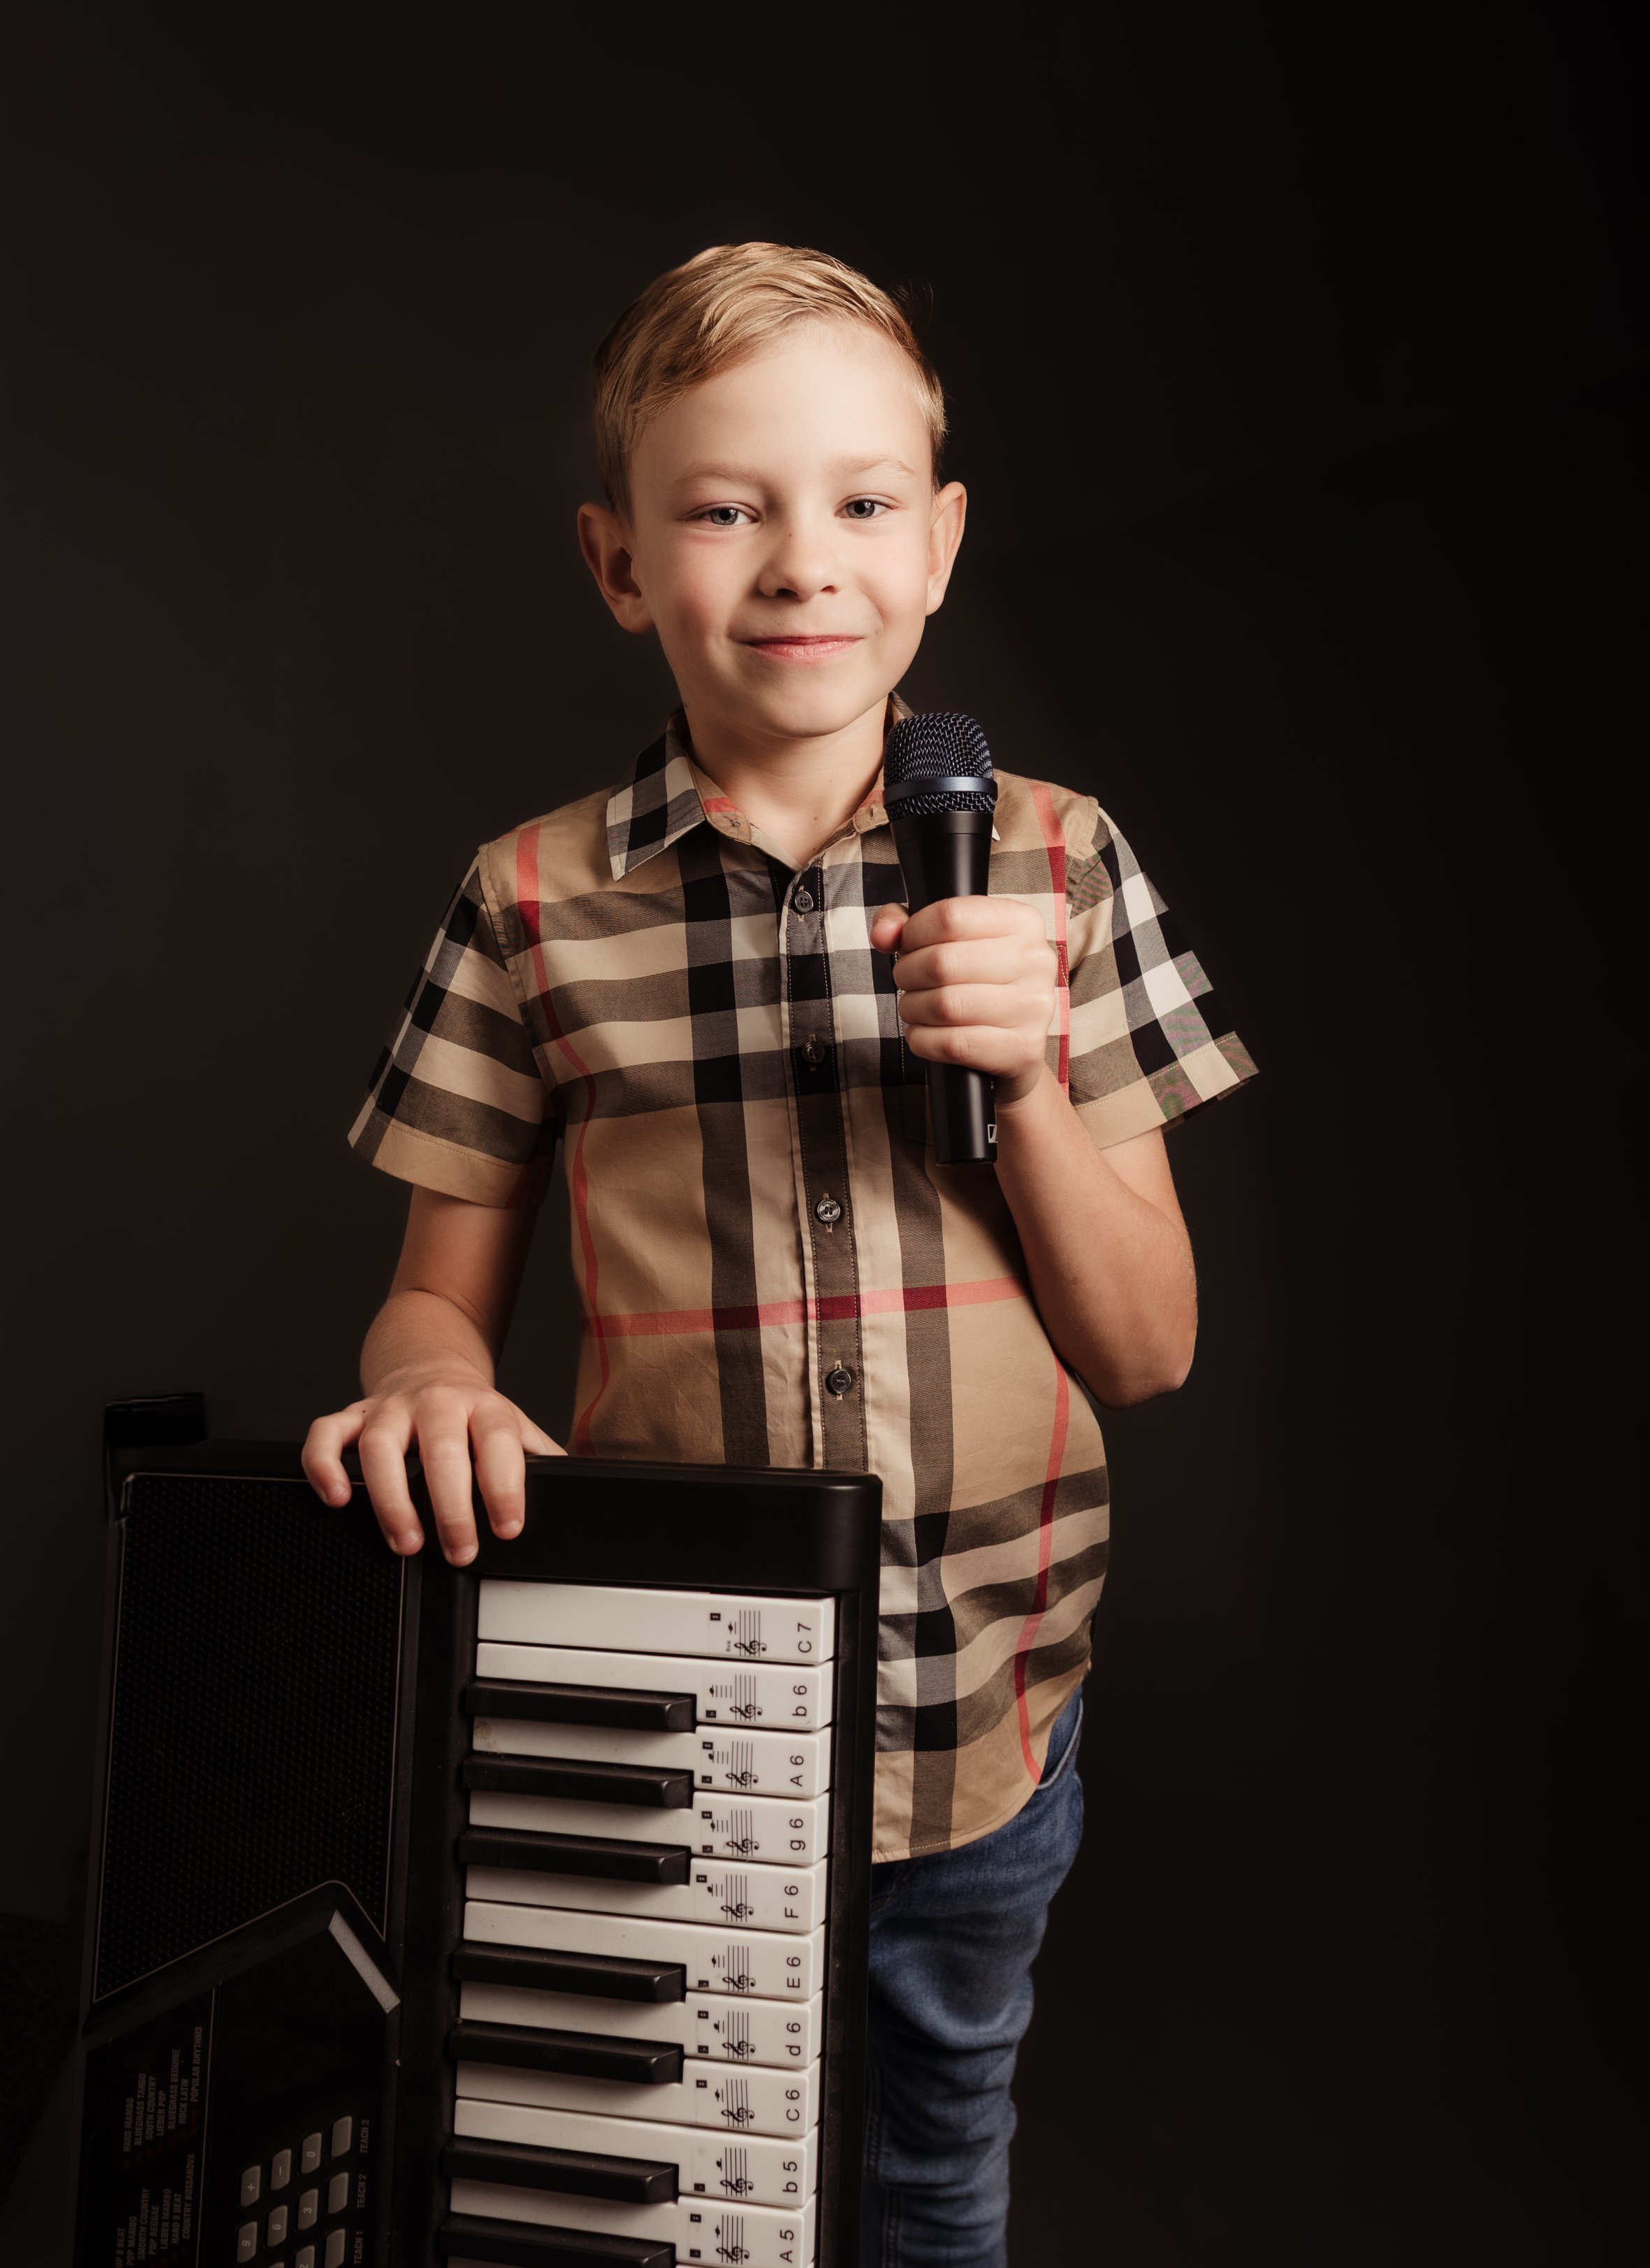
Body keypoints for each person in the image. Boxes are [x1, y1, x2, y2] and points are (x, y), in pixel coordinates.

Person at [303, 242, 1256, 2265]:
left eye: (859, 501)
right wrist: (427, 1382)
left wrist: (1020, 1082)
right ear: (618, 563)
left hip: (983, 1714)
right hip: (659, 1710)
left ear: (939, 541)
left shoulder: (1063, 866)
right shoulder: (531, 900)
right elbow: (430, 1294)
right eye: (724, 507)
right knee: (666, 2189)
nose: (800, 561)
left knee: (928, 2160)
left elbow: (1151, 1348)